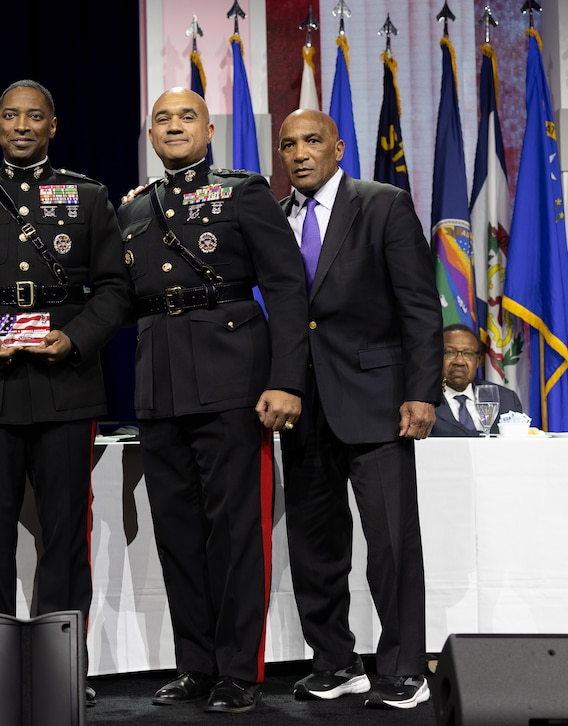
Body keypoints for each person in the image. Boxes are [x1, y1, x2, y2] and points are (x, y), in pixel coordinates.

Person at [0, 79, 131, 707]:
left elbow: (116, 290)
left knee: (66, 534)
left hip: (65, 384)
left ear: (53, 125)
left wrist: (73, 339)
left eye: (33, 117)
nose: (21, 125)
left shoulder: (89, 197)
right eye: (11, 115)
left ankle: (61, 664)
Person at [118, 87, 308, 714]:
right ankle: (195, 664)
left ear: (209, 131)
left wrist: (285, 380)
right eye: (162, 119)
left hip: (232, 382)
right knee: (176, 535)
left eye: (186, 117)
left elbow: (285, 289)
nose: (173, 126)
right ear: (151, 135)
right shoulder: (135, 208)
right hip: (160, 385)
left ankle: (237, 670)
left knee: (234, 532)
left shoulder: (243, 191)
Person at [276, 108, 442, 710]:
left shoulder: (383, 204)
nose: (299, 153)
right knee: (315, 545)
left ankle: (404, 669)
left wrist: (422, 393)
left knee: (392, 544)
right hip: (305, 407)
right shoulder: (275, 218)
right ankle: (337, 662)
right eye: (288, 144)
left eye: (312, 141)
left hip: (378, 403)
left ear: (338, 148)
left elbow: (421, 308)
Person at [431, 323, 523, 437]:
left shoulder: (506, 399)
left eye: (468, 354)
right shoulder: (423, 400)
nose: (459, 361)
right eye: (449, 352)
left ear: (478, 361)